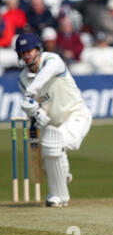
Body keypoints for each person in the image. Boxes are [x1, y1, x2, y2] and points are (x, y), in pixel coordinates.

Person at [16, 33, 92, 207]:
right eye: (23, 52)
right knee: (49, 160)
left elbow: (44, 76)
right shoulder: (22, 79)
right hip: (54, 124)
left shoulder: (53, 60)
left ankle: (58, 197)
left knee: (54, 144)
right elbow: (34, 107)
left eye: (30, 50)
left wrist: (29, 94)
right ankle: (62, 176)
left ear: (38, 49)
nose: (27, 55)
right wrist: (36, 113)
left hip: (76, 116)